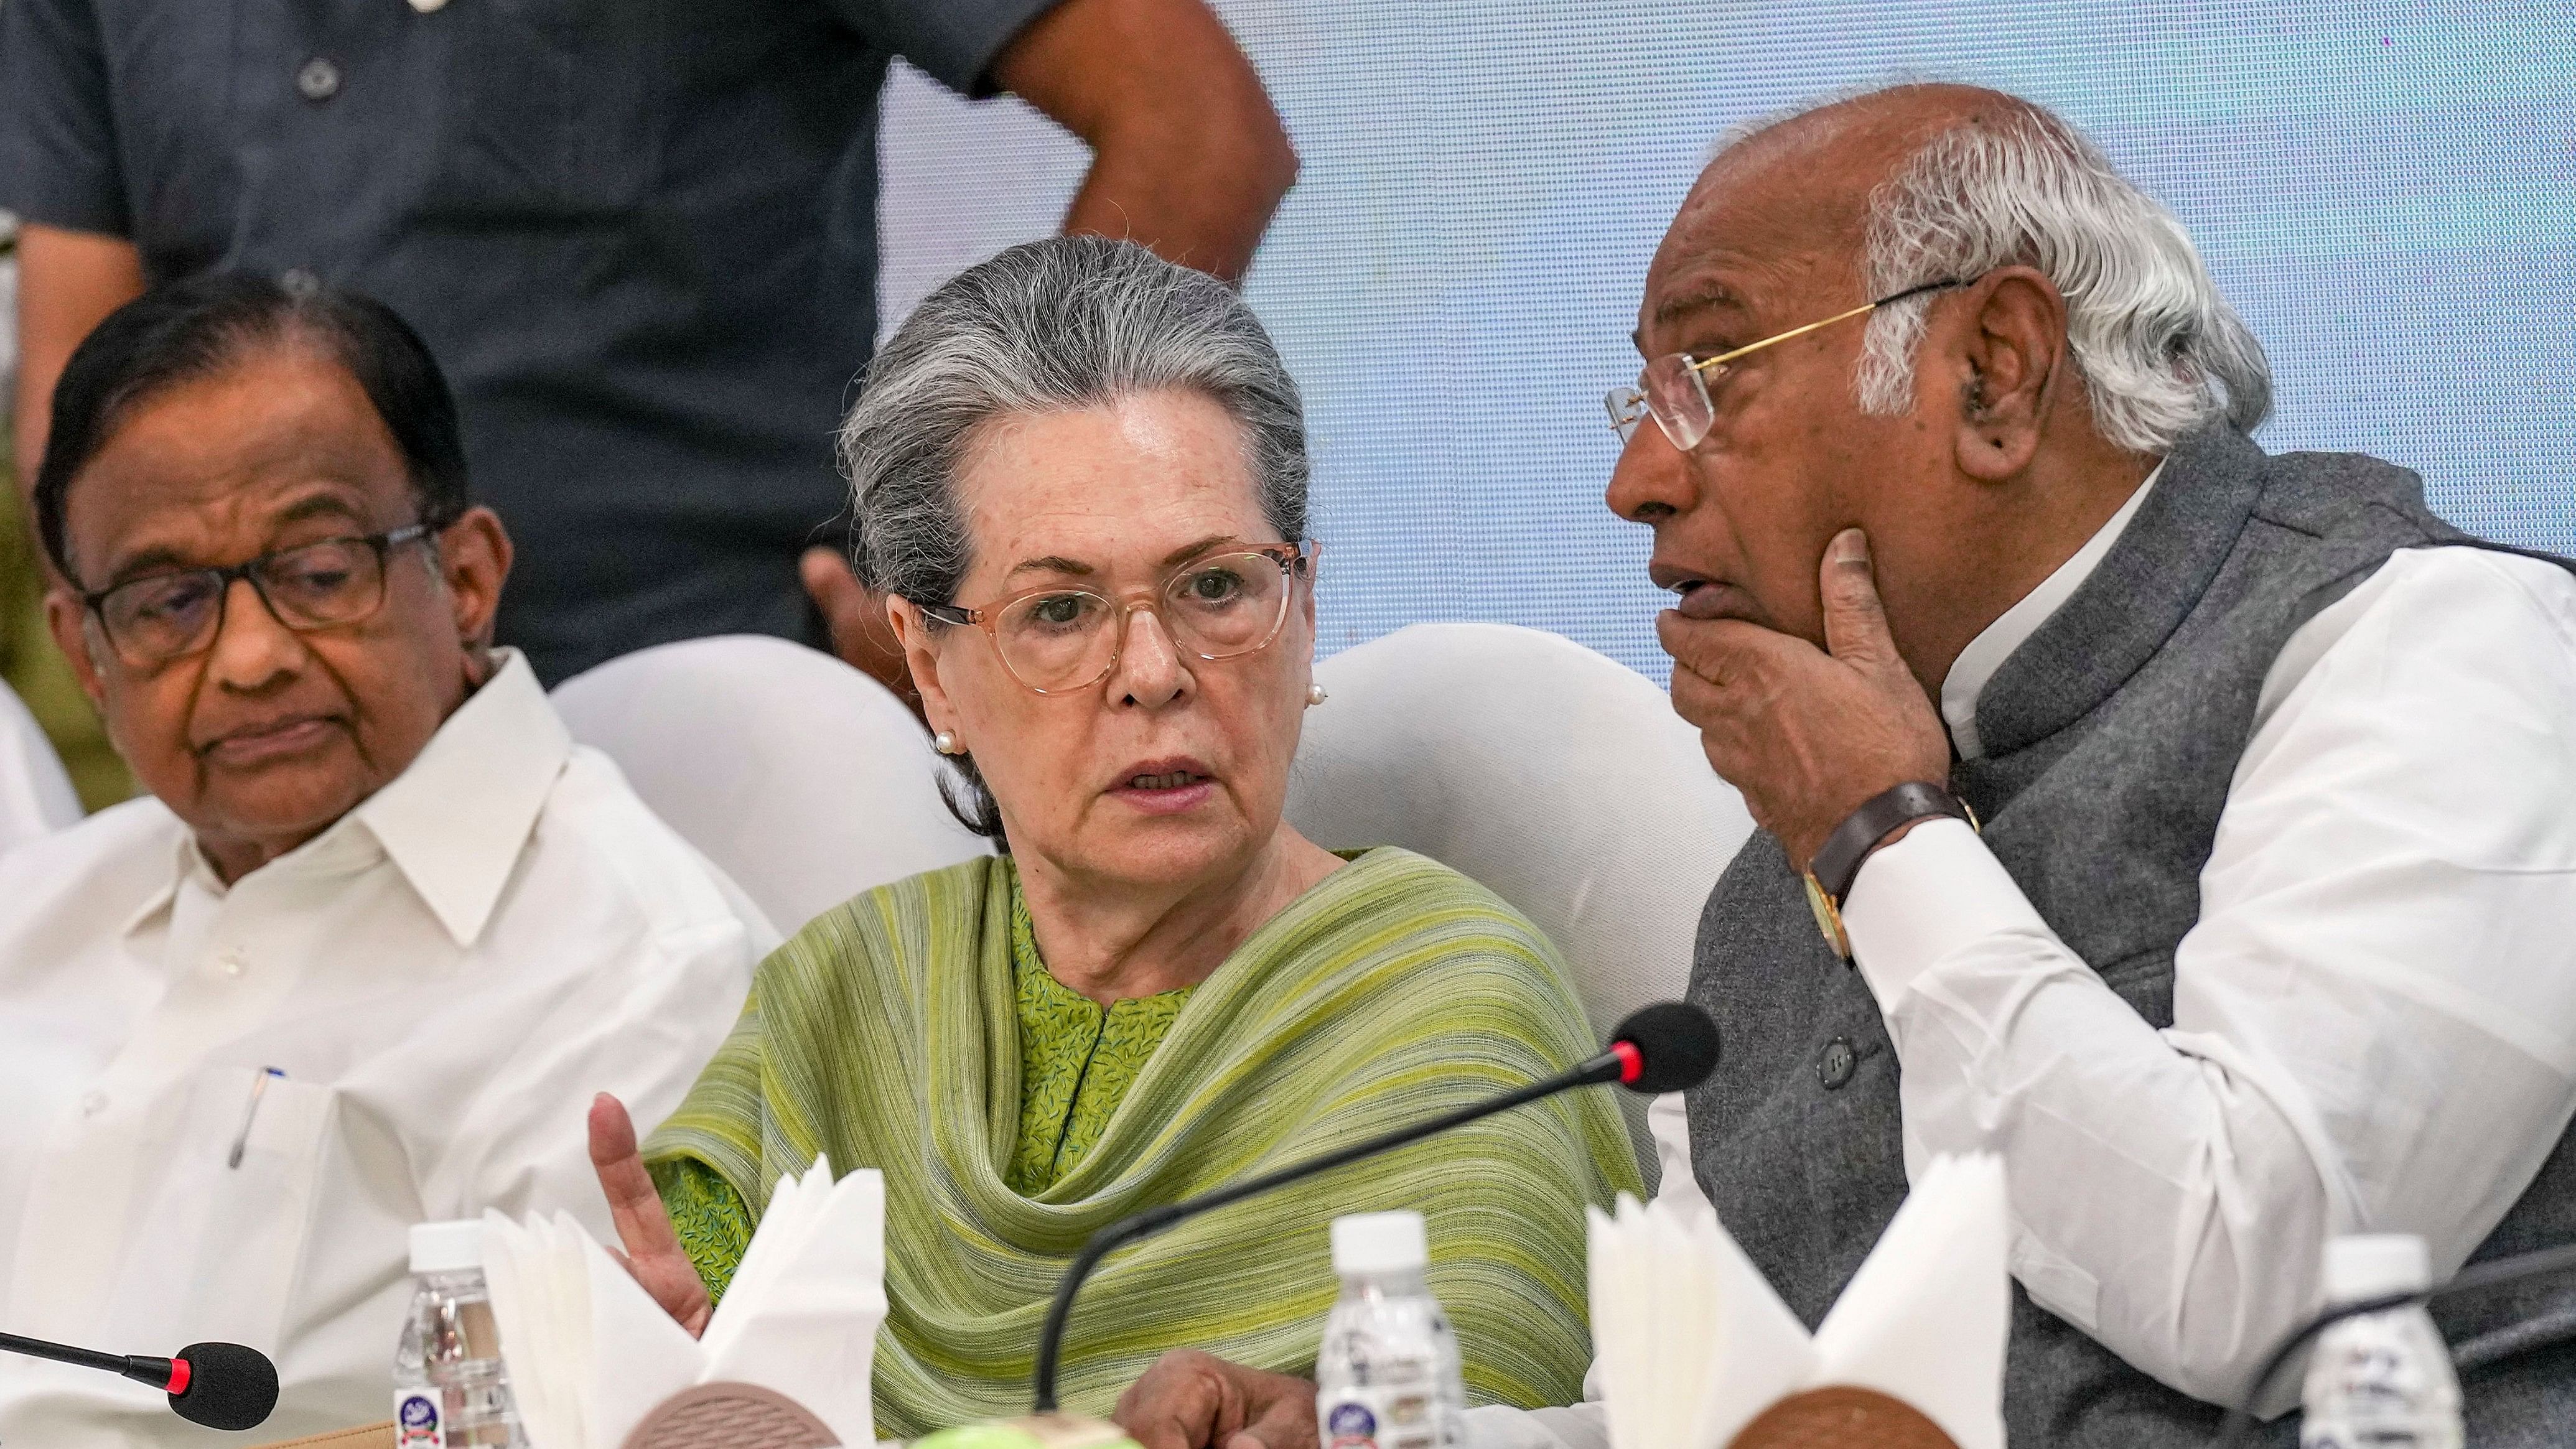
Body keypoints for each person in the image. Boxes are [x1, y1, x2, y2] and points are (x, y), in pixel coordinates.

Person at [1115, 84, 2576, 1448]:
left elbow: (2256, 1277)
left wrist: (1885, 839)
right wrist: (1395, 1428)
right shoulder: (1785, 859)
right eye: (1641, 404)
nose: (1637, 481)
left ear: (1994, 373)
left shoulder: (2432, 644)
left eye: (1707, 377)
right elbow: (1681, 1418)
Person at [581, 236, 1642, 1437]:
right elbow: (694, 1387)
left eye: (1217, 588)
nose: (1153, 672)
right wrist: (667, 1385)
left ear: (1307, 614)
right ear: (930, 668)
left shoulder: (1456, 1018)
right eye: (1062, 611)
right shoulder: (842, 1000)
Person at [0, 274, 773, 1444]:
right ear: (89, 654)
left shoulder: (643, 978)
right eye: (170, 603)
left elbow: (592, 1427)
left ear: (466, 578)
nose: (252, 657)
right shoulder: (35, 908)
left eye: (318, 572)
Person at [1, 0, 1298, 687]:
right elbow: (75, 388)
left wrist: (971, 572)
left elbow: (1197, 135)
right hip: (291, 763)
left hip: (726, 718)